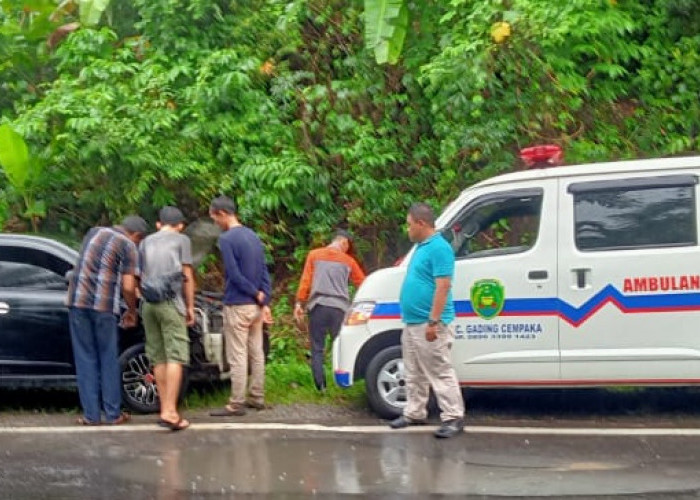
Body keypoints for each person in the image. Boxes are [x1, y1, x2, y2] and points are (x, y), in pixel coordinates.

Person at [389, 202, 465, 438]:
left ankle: (453, 416)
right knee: (413, 372)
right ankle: (414, 412)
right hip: (413, 322)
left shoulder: (439, 248)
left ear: (421, 223)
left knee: (439, 370)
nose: (407, 229)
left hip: (429, 323)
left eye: (410, 224)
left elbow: (443, 286)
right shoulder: (422, 247)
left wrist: (433, 322)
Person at [66, 215, 148, 425]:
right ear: (136, 235)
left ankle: (91, 416)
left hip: (77, 303)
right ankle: (113, 414)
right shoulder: (129, 245)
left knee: (85, 359)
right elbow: (129, 286)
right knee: (108, 358)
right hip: (103, 308)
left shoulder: (94, 232)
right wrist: (132, 310)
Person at [208, 196, 271, 416]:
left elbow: (234, 275)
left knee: (237, 354)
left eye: (214, 217)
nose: (215, 222)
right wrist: (264, 299)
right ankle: (257, 397)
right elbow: (264, 270)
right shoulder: (253, 236)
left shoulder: (226, 239)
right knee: (257, 352)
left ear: (222, 213)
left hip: (238, 303)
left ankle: (236, 402)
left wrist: (253, 293)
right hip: (255, 307)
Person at [139, 206, 195, 431]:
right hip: (170, 302)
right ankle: (171, 412)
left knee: (158, 356)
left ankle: (164, 408)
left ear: (159, 223)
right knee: (175, 355)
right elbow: (187, 275)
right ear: (180, 225)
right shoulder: (182, 240)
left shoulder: (145, 242)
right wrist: (190, 306)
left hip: (148, 304)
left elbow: (139, 274)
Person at [294, 229, 365, 391]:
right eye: (348, 246)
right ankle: (343, 383)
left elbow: (306, 281)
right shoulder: (349, 261)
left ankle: (321, 386)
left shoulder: (314, 255)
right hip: (339, 309)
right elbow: (362, 282)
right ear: (344, 242)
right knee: (340, 345)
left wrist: (299, 303)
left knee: (317, 347)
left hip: (317, 307)